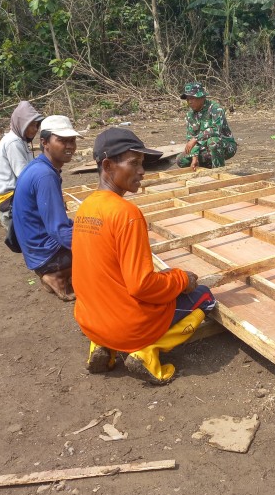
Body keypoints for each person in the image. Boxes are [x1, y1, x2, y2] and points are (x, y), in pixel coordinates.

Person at [73, 127, 216, 385]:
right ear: (108, 165)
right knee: (205, 296)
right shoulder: (126, 214)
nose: (142, 171)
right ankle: (147, 351)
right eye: (134, 163)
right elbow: (142, 286)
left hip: (90, 321)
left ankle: (102, 345)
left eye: (142, 164)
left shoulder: (86, 207)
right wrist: (181, 279)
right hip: (127, 326)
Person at [12, 115, 77, 302]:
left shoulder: (38, 166)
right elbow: (59, 229)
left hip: (35, 249)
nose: (70, 146)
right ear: (44, 142)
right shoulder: (45, 175)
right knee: (104, 249)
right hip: (44, 254)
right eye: (62, 140)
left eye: (72, 140)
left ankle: (56, 272)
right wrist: (90, 245)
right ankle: (57, 275)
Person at [0, 101, 44, 229]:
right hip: (7, 196)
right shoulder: (13, 142)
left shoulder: (21, 140)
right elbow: (24, 175)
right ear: (21, 124)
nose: (35, 129)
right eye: (31, 125)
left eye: (36, 125)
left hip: (13, 192)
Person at [176, 82, 237, 169]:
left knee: (213, 142)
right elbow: (191, 138)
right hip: (204, 148)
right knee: (181, 159)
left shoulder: (215, 108)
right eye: (188, 99)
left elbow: (215, 130)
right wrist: (194, 157)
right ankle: (207, 166)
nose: (190, 101)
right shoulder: (190, 115)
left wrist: (196, 139)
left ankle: (218, 170)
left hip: (224, 145)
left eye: (192, 98)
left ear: (202, 97)